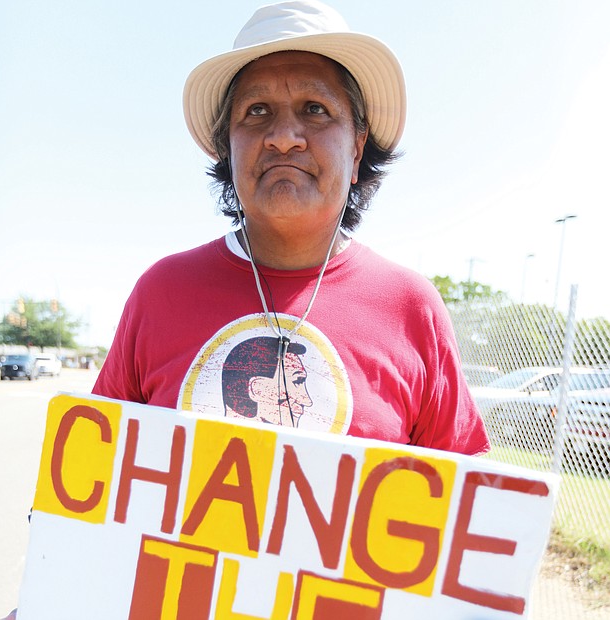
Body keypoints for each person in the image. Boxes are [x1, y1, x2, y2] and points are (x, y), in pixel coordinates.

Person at [91, 0, 489, 454]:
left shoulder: (411, 307)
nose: (284, 136)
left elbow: (461, 498)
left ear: (357, 149)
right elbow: (96, 474)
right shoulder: (161, 292)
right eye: (257, 111)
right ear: (227, 148)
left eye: (315, 109)